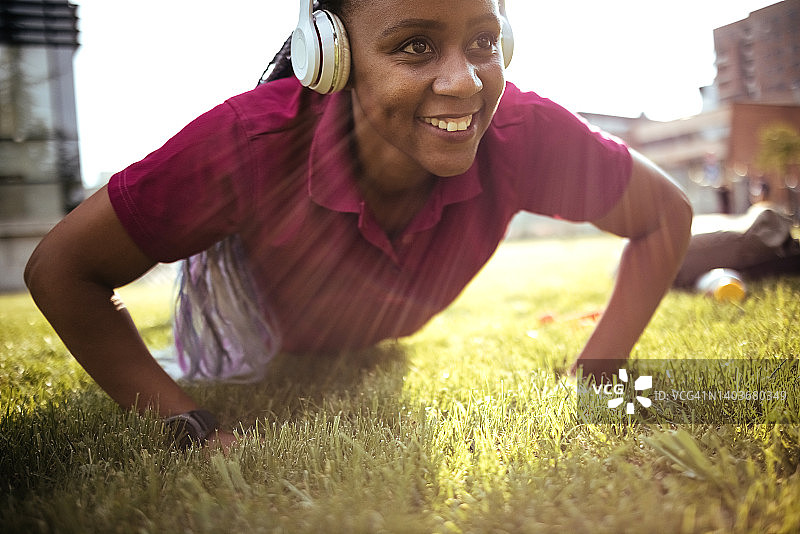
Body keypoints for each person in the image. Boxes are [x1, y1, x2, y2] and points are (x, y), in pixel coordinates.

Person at [24, 0, 692, 449]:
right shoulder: (249, 141)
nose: (464, 82)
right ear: (331, 57)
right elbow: (62, 269)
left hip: (383, 333)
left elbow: (666, 215)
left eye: (483, 42)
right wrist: (183, 427)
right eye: (416, 45)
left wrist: (599, 369)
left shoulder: (525, 131)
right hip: (271, 339)